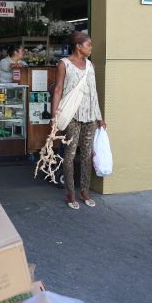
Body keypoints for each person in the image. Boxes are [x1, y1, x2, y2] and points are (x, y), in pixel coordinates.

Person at [51, 32, 106, 210]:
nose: (91, 47)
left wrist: (99, 117)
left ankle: (84, 191)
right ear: (78, 46)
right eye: (88, 44)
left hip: (90, 116)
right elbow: (58, 89)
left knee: (87, 154)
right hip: (72, 115)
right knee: (70, 154)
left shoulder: (90, 65)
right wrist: (55, 116)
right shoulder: (64, 64)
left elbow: (93, 92)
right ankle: (70, 193)